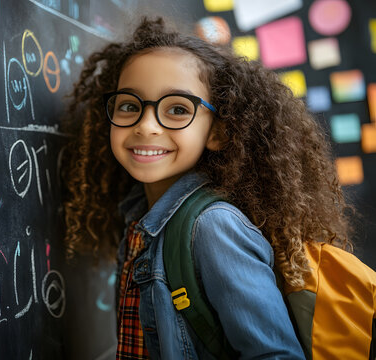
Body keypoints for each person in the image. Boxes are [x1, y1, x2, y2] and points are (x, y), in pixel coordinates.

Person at [61, 17, 353, 359]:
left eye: (177, 109)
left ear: (218, 133)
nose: (146, 125)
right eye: (129, 105)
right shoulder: (140, 215)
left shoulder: (213, 226)